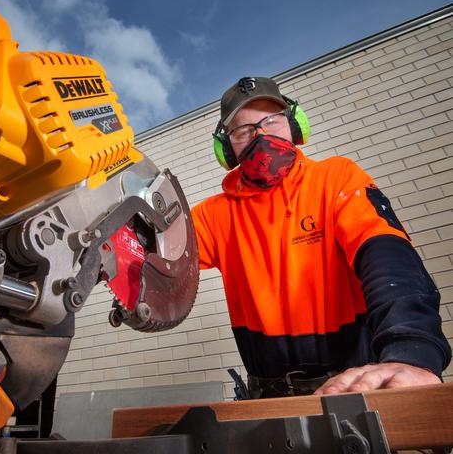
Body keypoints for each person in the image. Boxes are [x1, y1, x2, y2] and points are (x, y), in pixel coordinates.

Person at [191, 76, 451, 398]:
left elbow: (386, 255)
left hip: (352, 388)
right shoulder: (211, 216)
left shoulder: (337, 178)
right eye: (243, 130)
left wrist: (411, 351)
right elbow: (165, 261)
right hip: (268, 399)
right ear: (227, 147)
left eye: (271, 120)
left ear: (294, 125)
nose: (261, 135)